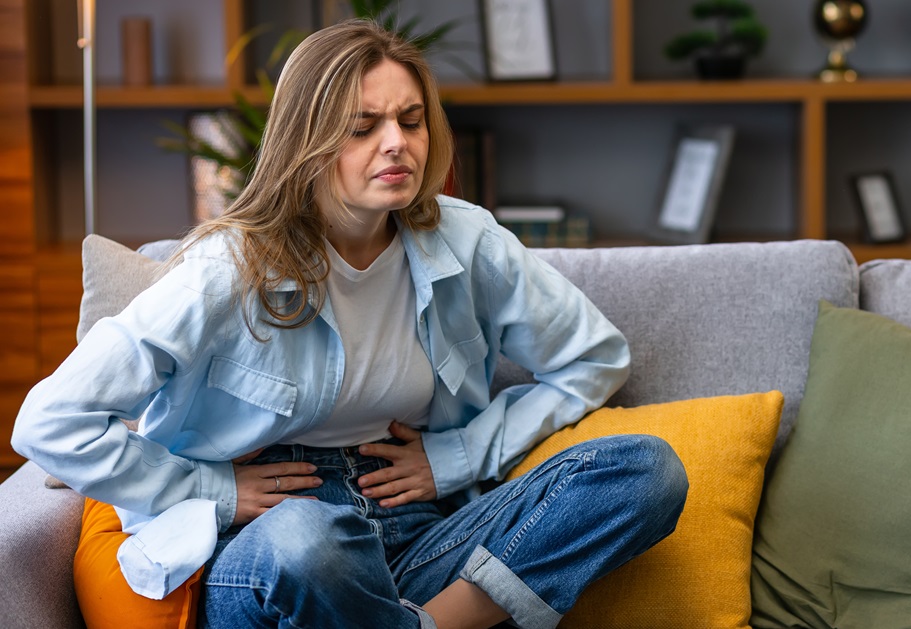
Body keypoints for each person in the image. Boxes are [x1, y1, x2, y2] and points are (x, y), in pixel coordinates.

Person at [12, 19, 688, 629]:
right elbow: (48, 422)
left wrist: (455, 457)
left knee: (645, 469)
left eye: (410, 120)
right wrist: (212, 489)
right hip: (272, 554)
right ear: (309, 141)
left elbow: (594, 357)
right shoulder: (228, 266)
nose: (396, 143)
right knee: (308, 536)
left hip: (420, 535)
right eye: (362, 126)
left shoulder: (467, 240)